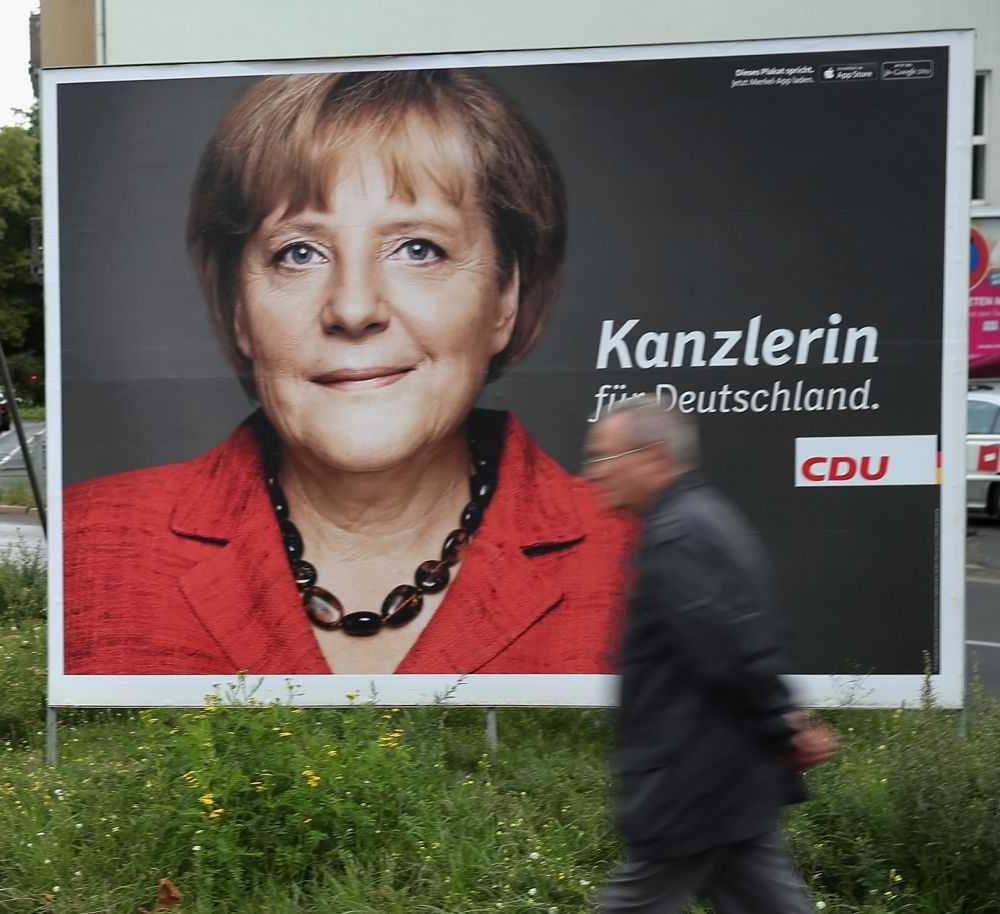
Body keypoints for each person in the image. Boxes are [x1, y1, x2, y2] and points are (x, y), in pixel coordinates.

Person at [64, 70, 635, 676]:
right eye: (299, 252)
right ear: (238, 309)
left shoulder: (636, 561)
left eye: (418, 247)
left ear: (504, 298)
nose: (355, 308)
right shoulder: (91, 551)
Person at [583, 396, 839, 913]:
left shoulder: (680, 536)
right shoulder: (701, 518)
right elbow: (744, 642)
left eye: (606, 458)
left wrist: (780, 728)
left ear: (652, 456)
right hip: (723, 783)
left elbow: (729, 653)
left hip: (691, 787)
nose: (592, 473)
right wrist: (780, 724)